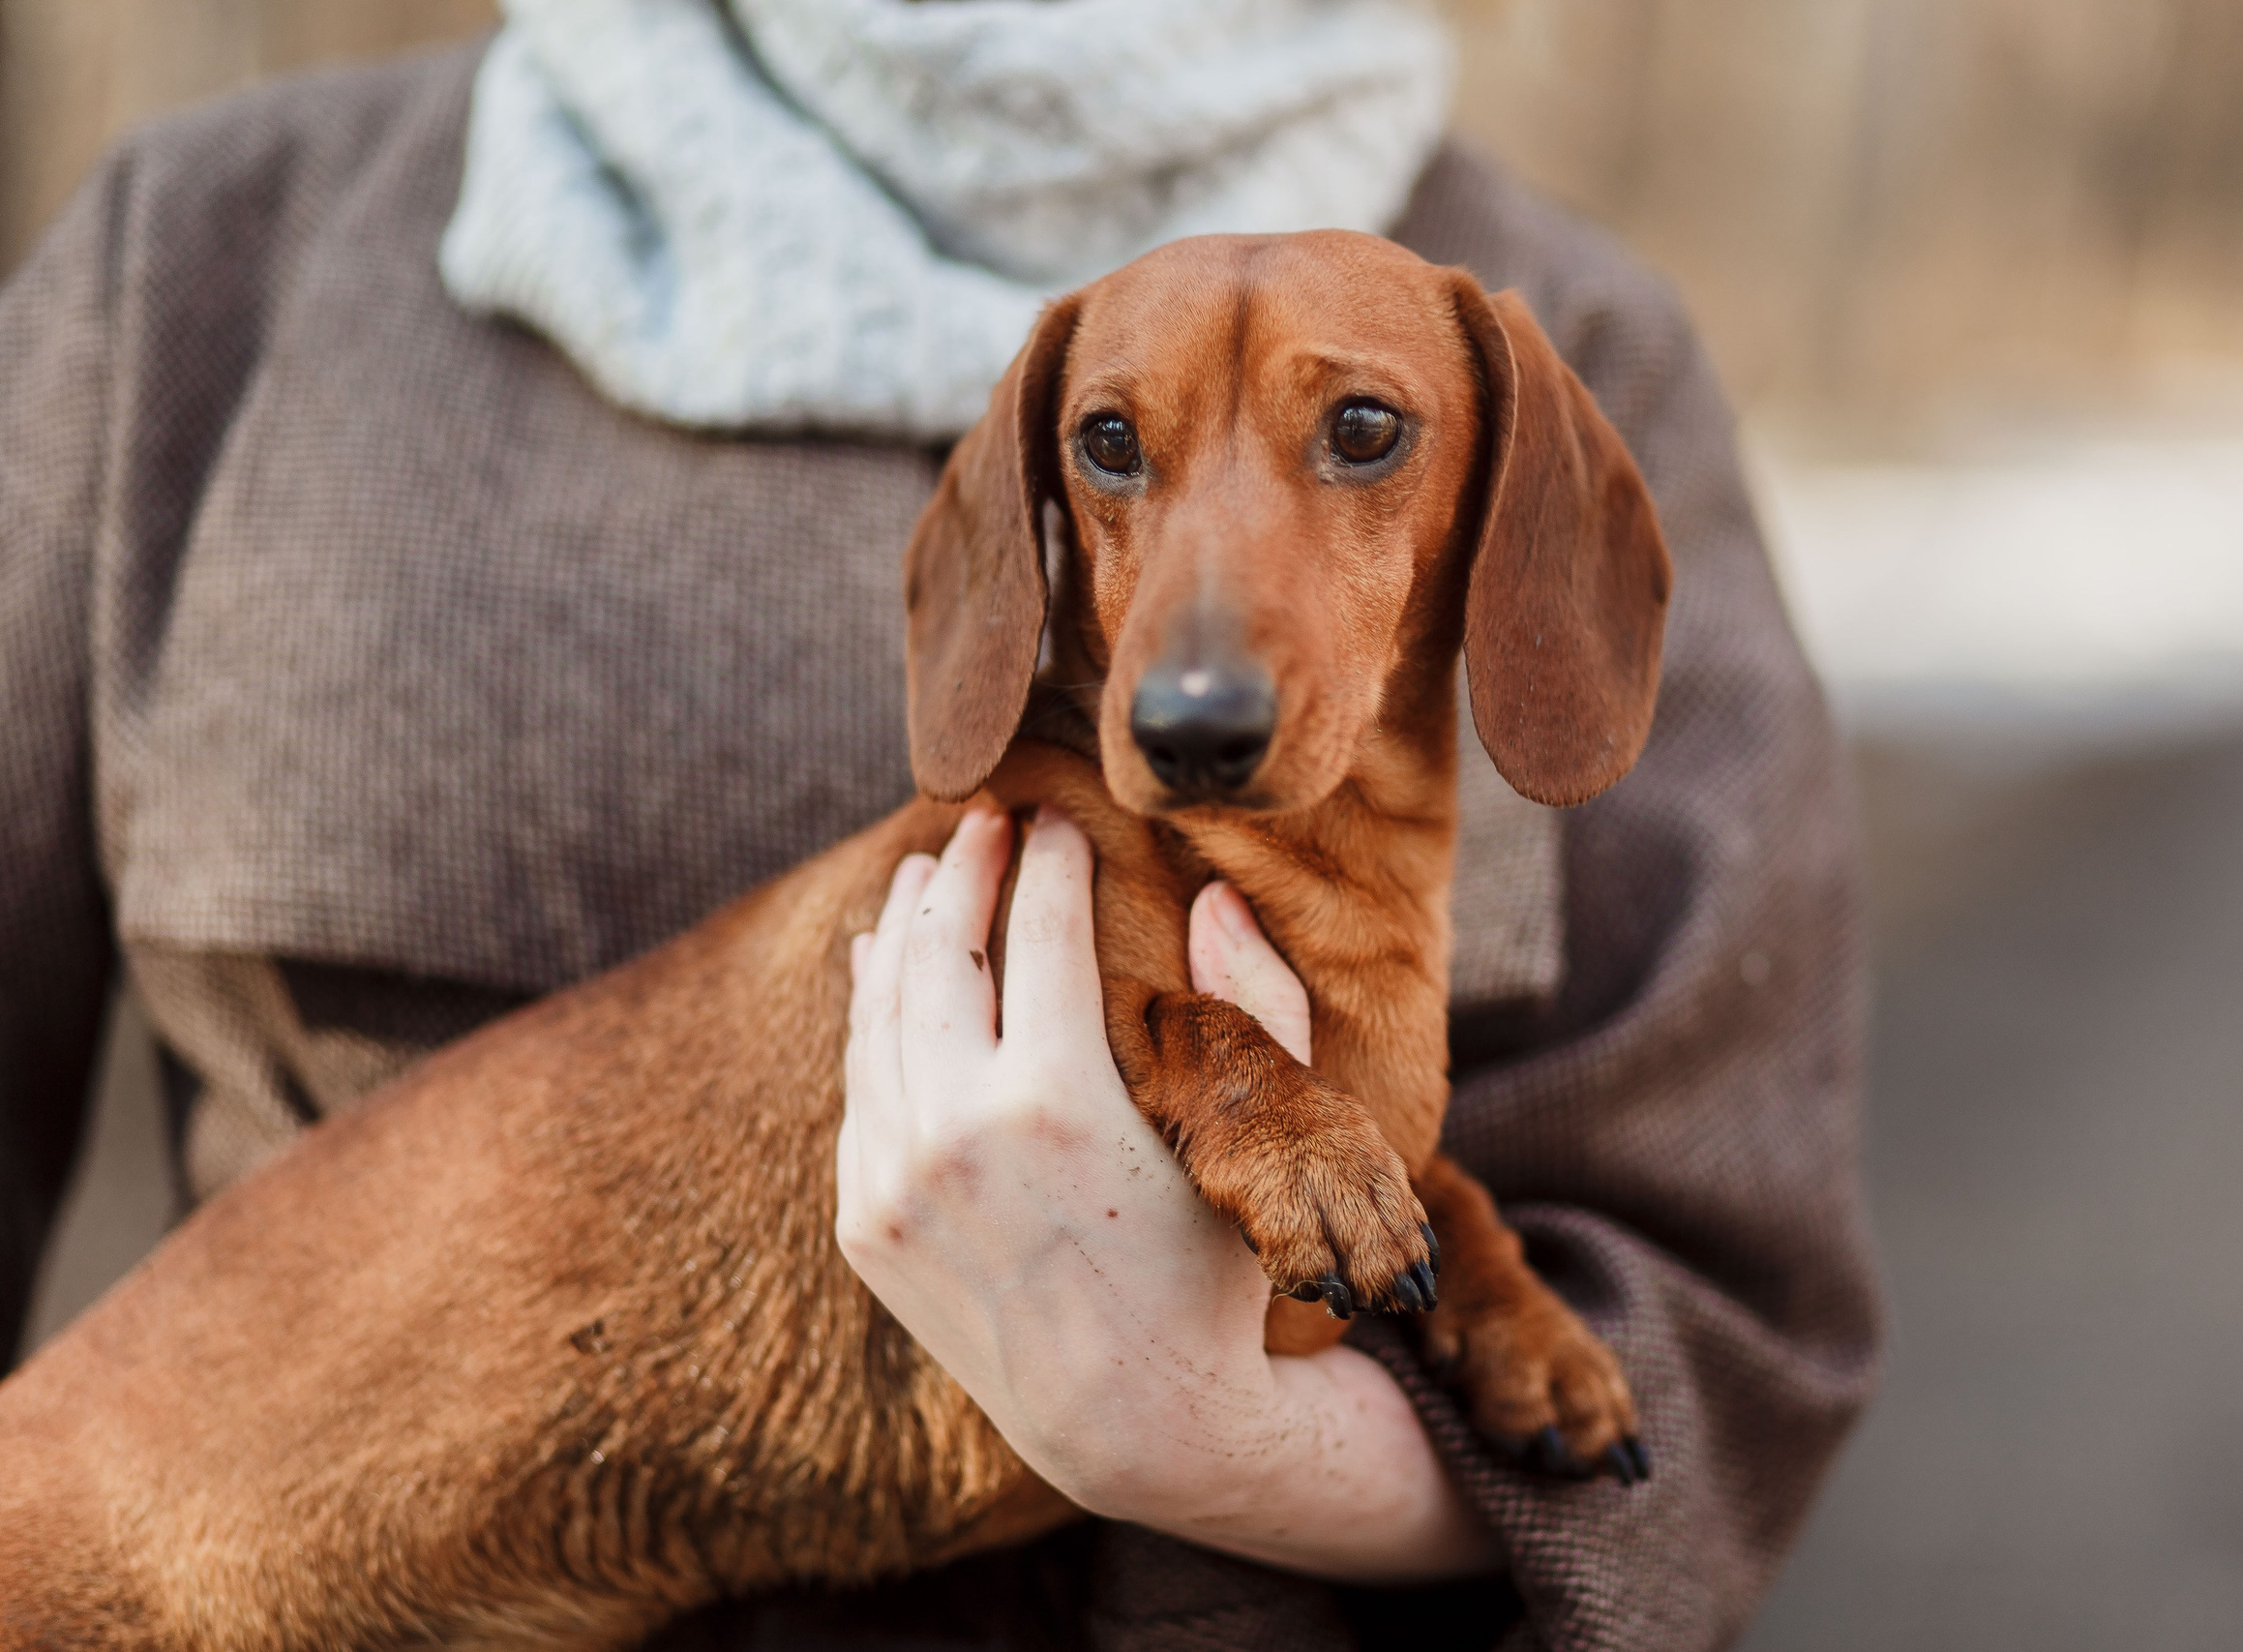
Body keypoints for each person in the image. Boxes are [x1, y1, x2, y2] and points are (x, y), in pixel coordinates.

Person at [0, 3, 1881, 1646]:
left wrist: (1239, 1425)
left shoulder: (1569, 334)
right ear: (1053, 509)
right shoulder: (200, 255)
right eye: (1118, 455)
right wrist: (1222, 1088)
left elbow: (1712, 1319)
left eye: (1361, 437)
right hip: (180, 1547)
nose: (1200, 673)